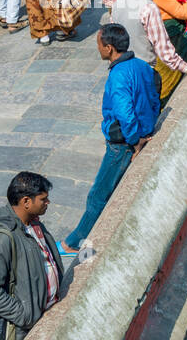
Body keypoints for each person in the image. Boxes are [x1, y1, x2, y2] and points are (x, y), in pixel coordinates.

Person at [59, 25, 160, 255]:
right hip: (143, 131)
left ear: (109, 48)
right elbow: (155, 94)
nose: (98, 49)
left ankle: (73, 243)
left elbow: (125, 114)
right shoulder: (142, 66)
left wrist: (135, 141)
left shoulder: (118, 76)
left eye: (99, 45)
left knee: (98, 194)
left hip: (122, 145)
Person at [0, 170, 64, 340]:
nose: (48, 203)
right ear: (26, 202)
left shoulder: (33, 222)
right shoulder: (1, 239)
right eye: (43, 199)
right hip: (23, 332)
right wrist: (24, 315)